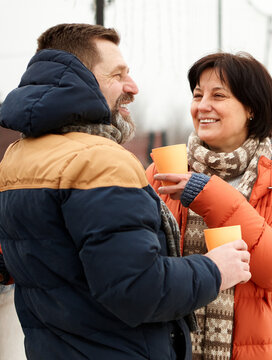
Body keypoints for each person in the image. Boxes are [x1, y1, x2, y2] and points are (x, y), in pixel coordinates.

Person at [0, 23, 251, 360]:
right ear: (80, 82)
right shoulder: (99, 160)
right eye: (118, 75)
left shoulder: (18, 156)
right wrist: (215, 269)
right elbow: (138, 289)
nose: (132, 87)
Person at [146, 52, 272, 360]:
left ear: (251, 108)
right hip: (169, 349)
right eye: (198, 95)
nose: (202, 106)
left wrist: (210, 195)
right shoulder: (162, 174)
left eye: (218, 95)